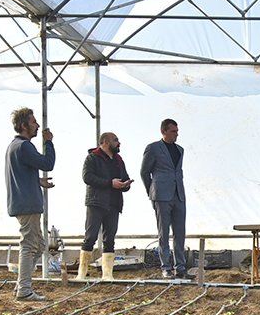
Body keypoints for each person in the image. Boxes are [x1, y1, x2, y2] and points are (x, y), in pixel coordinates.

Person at [5, 107, 55, 302]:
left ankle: (21, 284)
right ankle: (24, 289)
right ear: (24, 125)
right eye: (34, 122)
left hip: (22, 202)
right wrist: (49, 142)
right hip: (28, 204)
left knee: (40, 245)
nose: (38, 126)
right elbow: (47, 163)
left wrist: (37, 182)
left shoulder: (14, 146)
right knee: (29, 245)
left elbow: (21, 174)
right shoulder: (24, 146)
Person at [76, 133, 133, 281]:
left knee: (110, 240)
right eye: (115, 140)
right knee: (90, 237)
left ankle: (107, 275)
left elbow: (124, 177)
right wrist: (110, 183)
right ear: (106, 143)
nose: (118, 142)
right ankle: (81, 274)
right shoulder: (92, 158)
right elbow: (87, 177)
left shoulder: (119, 160)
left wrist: (125, 185)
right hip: (96, 203)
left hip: (114, 204)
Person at [141, 119, 193, 280]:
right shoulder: (153, 148)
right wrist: (153, 191)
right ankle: (166, 267)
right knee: (163, 232)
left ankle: (181, 267)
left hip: (178, 195)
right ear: (164, 132)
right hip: (161, 195)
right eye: (173, 131)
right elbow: (144, 172)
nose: (176, 134)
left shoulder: (180, 150)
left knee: (180, 232)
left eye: (177, 131)